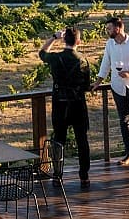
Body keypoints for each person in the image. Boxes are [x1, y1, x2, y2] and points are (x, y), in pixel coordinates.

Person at [39, 27, 92, 188]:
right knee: (82, 140)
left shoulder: (56, 58)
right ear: (79, 41)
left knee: (58, 140)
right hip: (77, 103)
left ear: (64, 40)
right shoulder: (83, 60)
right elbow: (86, 84)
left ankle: (57, 175)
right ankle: (84, 176)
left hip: (60, 103)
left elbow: (42, 53)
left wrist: (53, 37)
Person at [97, 16, 129, 166]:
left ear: (118, 28)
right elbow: (106, 63)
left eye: (109, 28)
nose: (107, 31)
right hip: (117, 87)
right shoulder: (110, 44)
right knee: (124, 121)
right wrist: (98, 81)